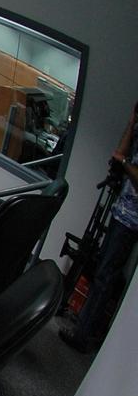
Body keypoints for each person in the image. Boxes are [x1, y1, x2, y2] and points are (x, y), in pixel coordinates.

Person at [61, 100, 138, 352]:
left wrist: (125, 164)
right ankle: (83, 324)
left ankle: (83, 334)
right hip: (120, 212)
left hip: (131, 220)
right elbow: (118, 154)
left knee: (105, 277)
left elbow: (124, 163)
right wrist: (131, 122)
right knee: (101, 270)